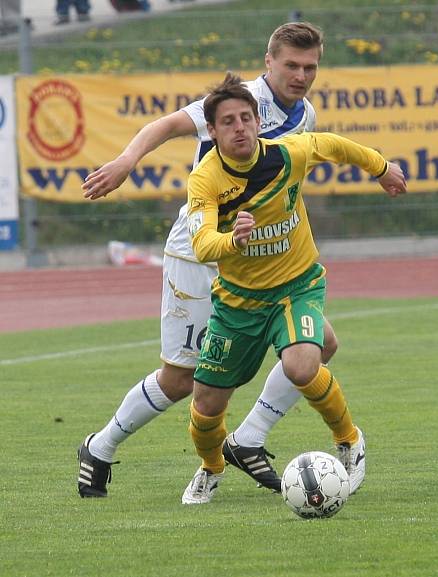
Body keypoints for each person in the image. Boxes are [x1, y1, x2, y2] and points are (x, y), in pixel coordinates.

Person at [78, 22, 344, 498]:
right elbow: (166, 125)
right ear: (270, 62)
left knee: (319, 344)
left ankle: (249, 439)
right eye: (291, 66)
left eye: (311, 67)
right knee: (181, 380)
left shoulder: (305, 114)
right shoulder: (239, 103)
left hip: (258, 263)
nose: (301, 75)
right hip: (198, 255)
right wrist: (125, 161)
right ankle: (100, 446)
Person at [180, 72, 405, 504]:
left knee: (304, 363)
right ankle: (212, 467)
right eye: (228, 121)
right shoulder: (204, 180)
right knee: (206, 406)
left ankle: (350, 440)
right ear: (212, 131)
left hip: (296, 285)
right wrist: (233, 240)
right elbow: (202, 243)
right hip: (238, 302)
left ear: (258, 122)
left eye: (246, 118)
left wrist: (380, 167)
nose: (240, 127)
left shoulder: (287, 153)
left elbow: (334, 145)